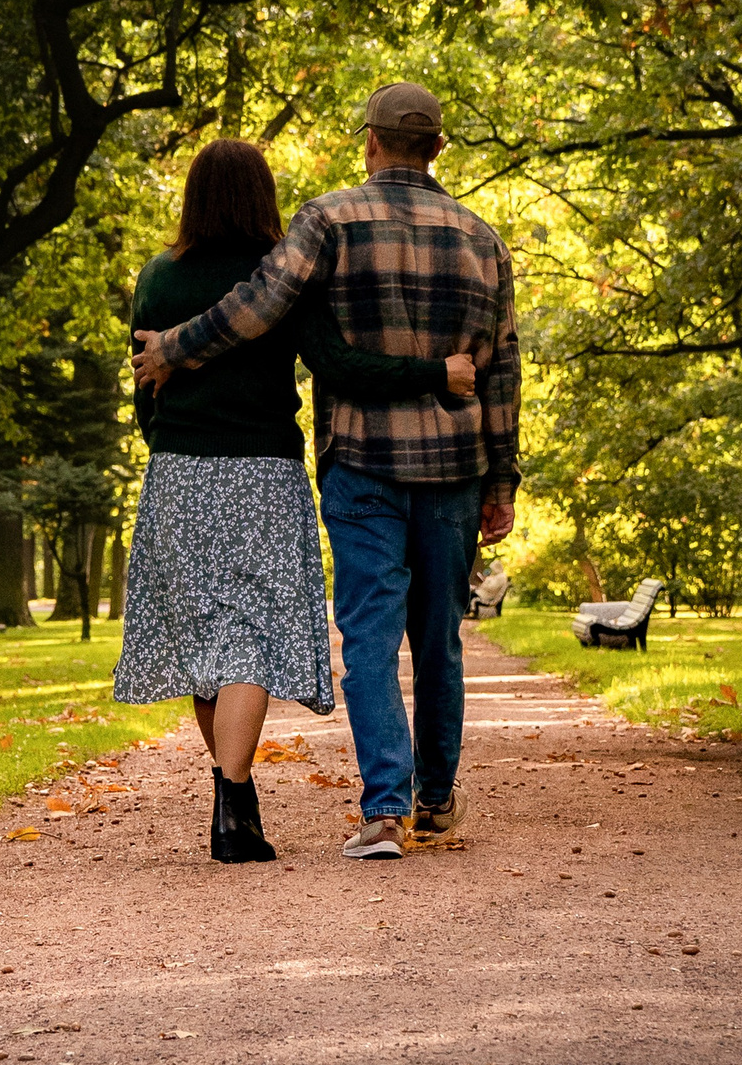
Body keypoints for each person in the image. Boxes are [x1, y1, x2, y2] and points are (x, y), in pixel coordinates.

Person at [134, 82, 519, 862]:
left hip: (358, 463)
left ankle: (380, 811)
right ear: (437, 147)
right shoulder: (485, 239)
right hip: (445, 469)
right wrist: (501, 477)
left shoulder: (328, 222)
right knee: (438, 639)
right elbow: (502, 369)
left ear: (370, 142)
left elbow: (253, 308)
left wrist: (171, 352)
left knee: (368, 638)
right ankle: (434, 799)